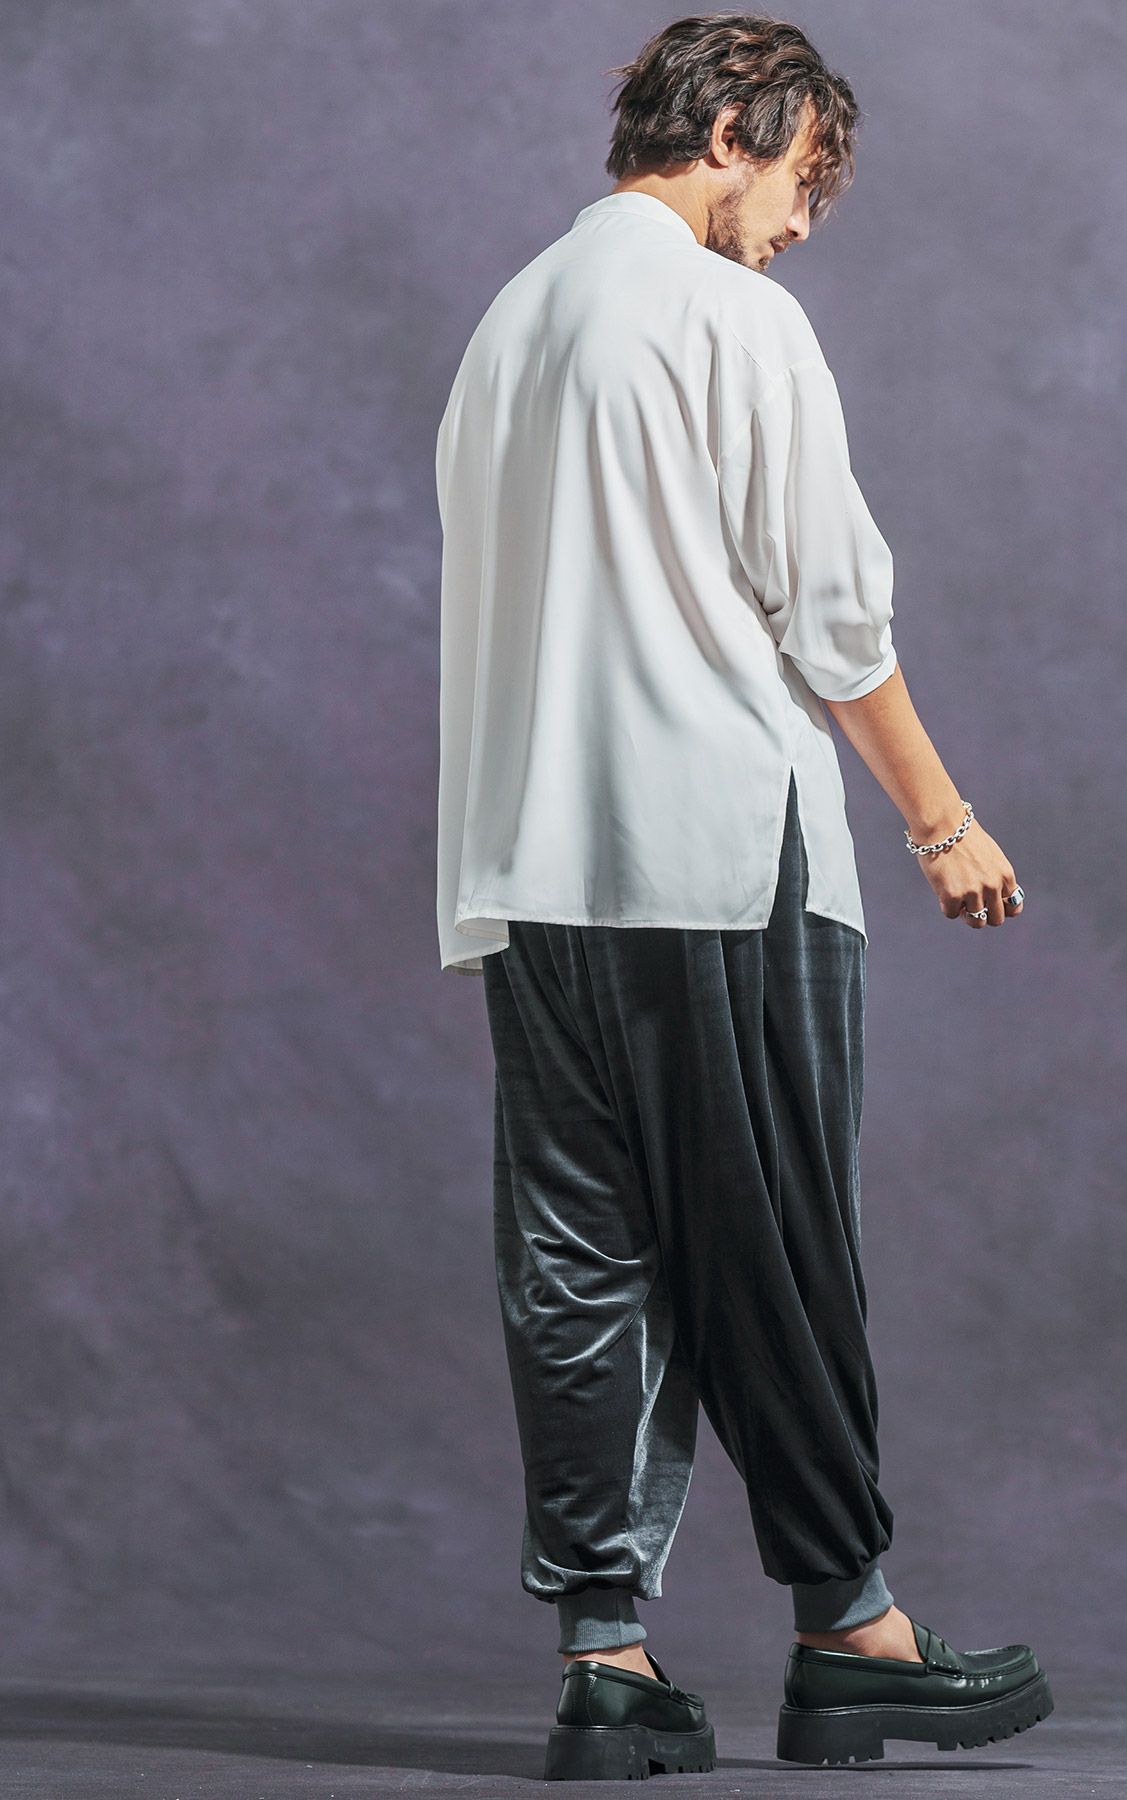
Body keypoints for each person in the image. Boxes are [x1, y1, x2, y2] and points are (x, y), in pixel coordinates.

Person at [434, 11, 1049, 1780]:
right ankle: (852, 1630)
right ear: (730, 129)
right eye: (798, 184)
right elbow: (833, 616)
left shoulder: (507, 328)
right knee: (773, 1233)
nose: (795, 229)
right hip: (712, 848)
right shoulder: (729, 318)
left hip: (532, 864)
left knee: (579, 1256)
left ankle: (606, 1661)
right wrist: (941, 822)